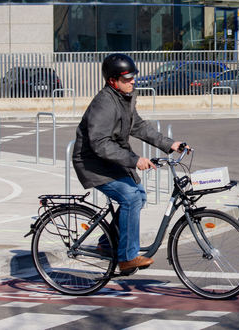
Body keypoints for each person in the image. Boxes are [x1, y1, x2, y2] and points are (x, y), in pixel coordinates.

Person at [72, 53, 187, 273]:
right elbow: (99, 143)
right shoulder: (104, 103)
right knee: (131, 197)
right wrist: (135, 160)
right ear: (112, 81)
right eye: (127, 79)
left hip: (109, 159)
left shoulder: (125, 98)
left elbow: (139, 127)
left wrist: (171, 144)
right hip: (92, 162)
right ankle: (126, 257)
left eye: (133, 77)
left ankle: (107, 244)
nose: (132, 81)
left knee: (139, 195)